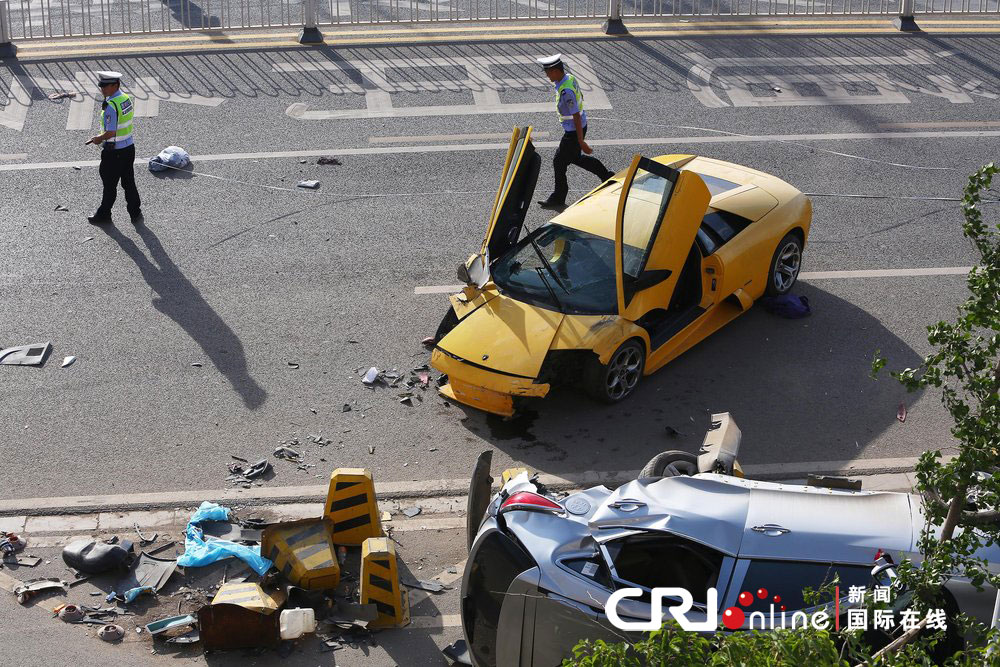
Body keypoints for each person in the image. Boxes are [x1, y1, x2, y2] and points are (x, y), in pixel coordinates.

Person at [535, 54, 615, 211]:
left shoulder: (566, 91)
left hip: (573, 131)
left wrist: (580, 141)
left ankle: (558, 197)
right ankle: (606, 176)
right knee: (574, 159)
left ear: (556, 71)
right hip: (576, 128)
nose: (547, 75)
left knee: (559, 161)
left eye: (548, 72)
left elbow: (576, 115)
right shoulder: (568, 78)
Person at [86, 71, 143, 225]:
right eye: (101, 86)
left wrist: (98, 138)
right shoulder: (125, 98)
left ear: (115, 85)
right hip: (129, 147)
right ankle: (135, 213)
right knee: (128, 182)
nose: (102, 89)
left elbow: (111, 132)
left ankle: (104, 214)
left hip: (114, 152)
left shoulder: (111, 105)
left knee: (109, 185)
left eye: (106, 86)